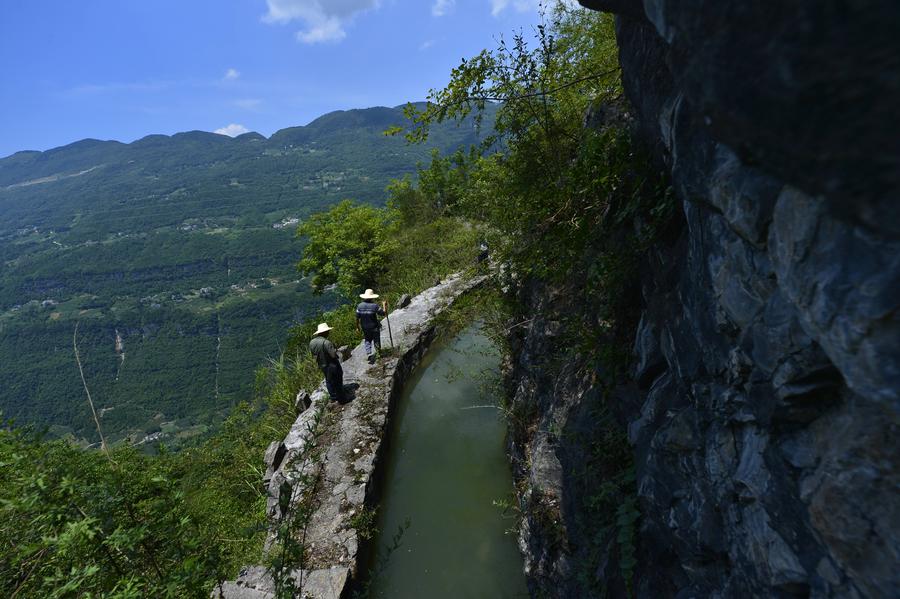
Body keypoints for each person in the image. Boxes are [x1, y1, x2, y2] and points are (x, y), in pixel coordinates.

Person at [309, 322, 347, 402]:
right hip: (331, 364)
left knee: (328, 380)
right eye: (328, 331)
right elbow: (333, 355)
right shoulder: (326, 342)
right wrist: (336, 351)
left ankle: (333, 397)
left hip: (322, 365)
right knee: (337, 379)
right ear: (325, 332)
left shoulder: (312, 342)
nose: (329, 333)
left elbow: (313, 355)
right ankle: (342, 399)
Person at [356, 288, 387, 364]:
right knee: (376, 340)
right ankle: (379, 353)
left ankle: (369, 353)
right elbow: (383, 313)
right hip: (374, 327)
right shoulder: (374, 306)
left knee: (367, 340)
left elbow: (357, 317)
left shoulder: (359, 306)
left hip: (364, 327)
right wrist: (384, 305)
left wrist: (357, 327)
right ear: (372, 297)